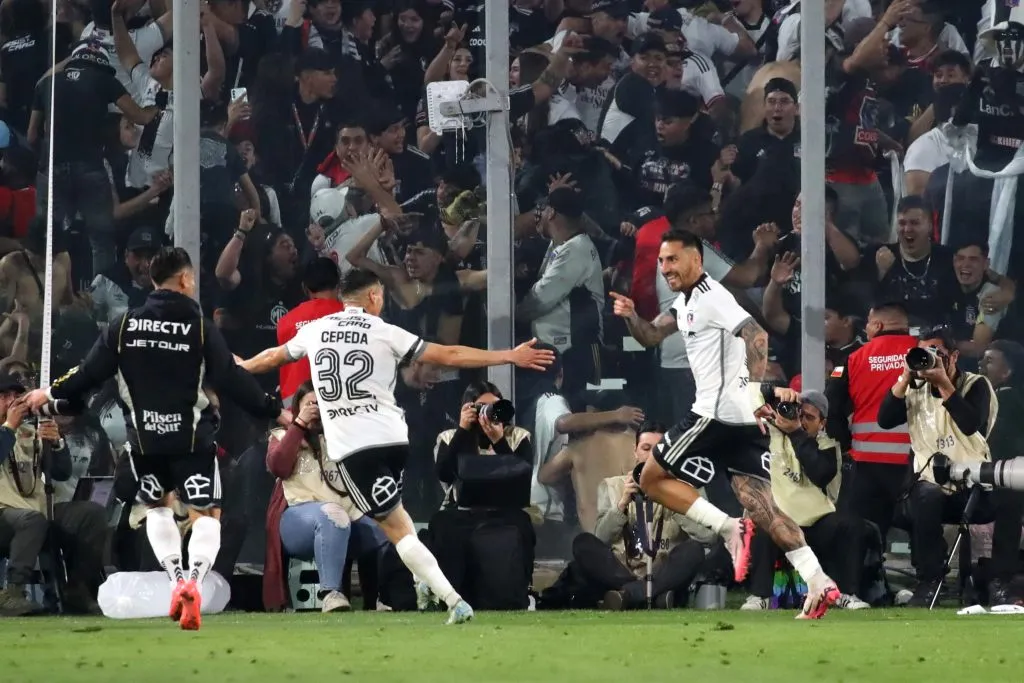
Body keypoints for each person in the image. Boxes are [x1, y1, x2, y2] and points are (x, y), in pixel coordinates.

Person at [237, 268, 554, 624]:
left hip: (356, 449)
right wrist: (508, 355)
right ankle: (424, 583)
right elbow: (449, 354)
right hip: (394, 442)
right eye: (382, 297)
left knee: (396, 529)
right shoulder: (384, 330)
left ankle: (452, 600)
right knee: (396, 520)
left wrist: (242, 367)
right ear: (373, 296)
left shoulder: (316, 330)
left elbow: (274, 357)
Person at [21, 247, 290, 631]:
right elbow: (232, 379)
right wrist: (274, 410)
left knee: (158, 510)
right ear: (185, 279)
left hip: (145, 445)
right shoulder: (199, 328)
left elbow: (87, 373)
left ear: (151, 280)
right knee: (207, 515)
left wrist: (48, 393)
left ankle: (176, 580)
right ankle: (194, 582)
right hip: (192, 443)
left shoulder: (124, 326)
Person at [609, 228, 841, 619]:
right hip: (740, 421)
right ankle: (819, 581)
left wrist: (754, 393)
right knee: (765, 508)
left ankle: (729, 528)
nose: (665, 268)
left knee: (648, 479)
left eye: (673, 259)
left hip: (713, 414)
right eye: (662, 261)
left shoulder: (712, 295)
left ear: (696, 260)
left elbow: (757, 335)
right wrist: (632, 316)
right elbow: (651, 336)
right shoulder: (684, 302)